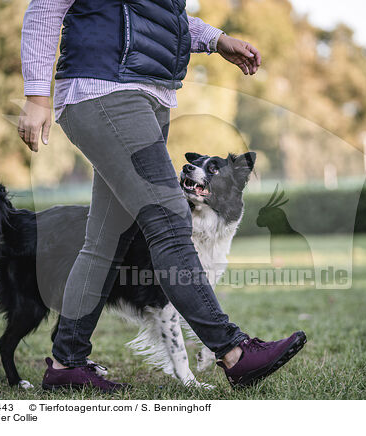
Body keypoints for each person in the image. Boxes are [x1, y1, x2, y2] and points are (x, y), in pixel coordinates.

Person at [18, 0, 306, 391]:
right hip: (106, 89)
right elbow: (47, 6)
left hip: (149, 97)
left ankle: (67, 363)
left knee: (105, 240)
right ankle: (233, 351)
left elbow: (159, 15)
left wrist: (216, 40)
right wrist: (36, 95)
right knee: (171, 217)